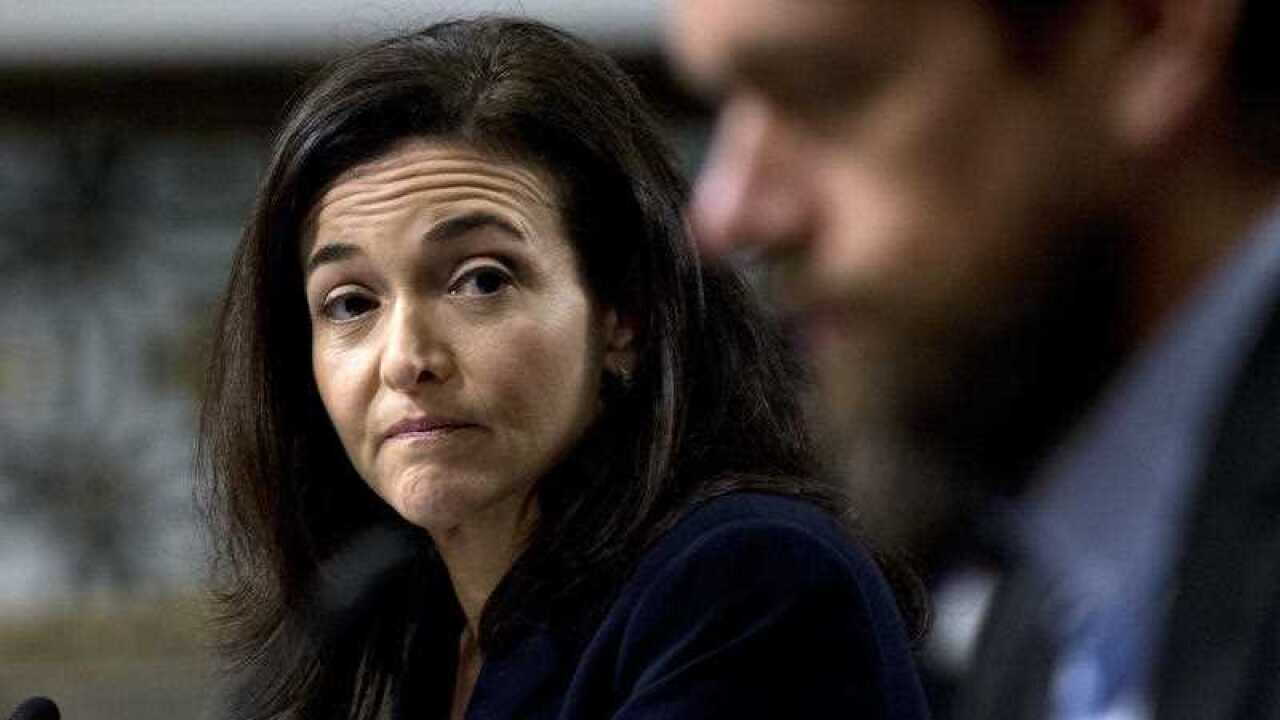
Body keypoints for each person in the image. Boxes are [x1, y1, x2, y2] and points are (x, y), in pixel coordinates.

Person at [197, 17, 929, 720]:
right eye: (351, 302)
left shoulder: (749, 577)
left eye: (481, 281)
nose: (407, 360)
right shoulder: (423, 625)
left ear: (624, 318)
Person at [664, 0, 1280, 718]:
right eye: (724, 110)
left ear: (1150, 37)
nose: (726, 213)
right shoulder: (1054, 604)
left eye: (825, 92)